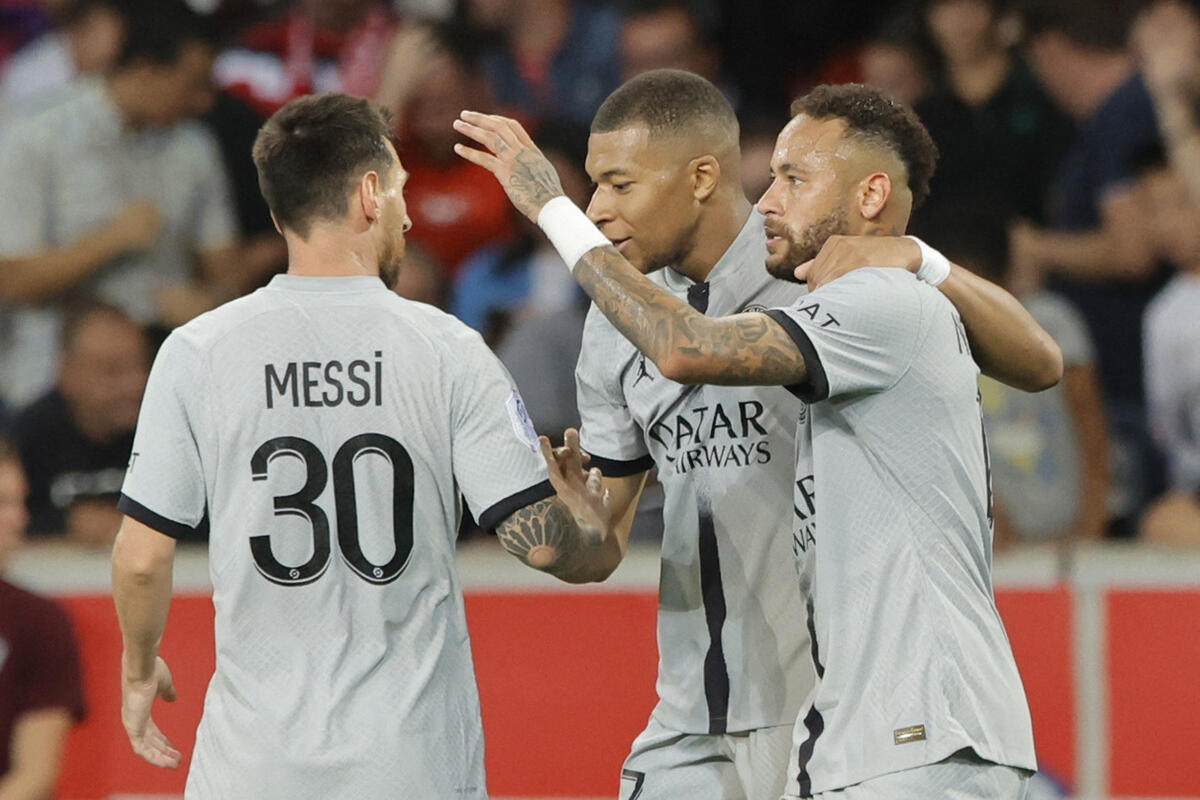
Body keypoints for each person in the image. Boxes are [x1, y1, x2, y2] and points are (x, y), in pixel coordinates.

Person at [457, 72, 1058, 798]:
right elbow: (602, 535)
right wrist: (558, 533)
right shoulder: (616, 323)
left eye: (619, 185)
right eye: (591, 188)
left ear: (701, 177)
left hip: (834, 708)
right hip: (698, 715)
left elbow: (1042, 362)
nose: (599, 209)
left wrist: (922, 259)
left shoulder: (830, 276)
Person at [110, 92, 612, 798]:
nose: (407, 217)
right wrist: (590, 527)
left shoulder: (198, 350)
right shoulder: (447, 349)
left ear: (280, 213)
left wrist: (139, 668)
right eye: (401, 191)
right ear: (371, 194)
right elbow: (545, 546)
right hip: (410, 763)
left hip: (252, 768)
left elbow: (140, 559)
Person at [0, 0, 237, 410]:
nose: (203, 101)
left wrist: (208, 303)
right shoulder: (35, 138)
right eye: (193, 83)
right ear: (146, 70)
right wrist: (109, 242)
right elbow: (9, 280)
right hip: (52, 389)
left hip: (165, 383)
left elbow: (225, 270)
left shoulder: (194, 147)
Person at [11, 301, 149, 545]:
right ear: (67, 373)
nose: (135, 385)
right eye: (112, 371)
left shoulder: (167, 430)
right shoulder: (29, 436)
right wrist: (65, 525)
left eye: (142, 366)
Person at [0, 437, 87, 798]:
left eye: (20, 501)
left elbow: (35, 777)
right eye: (2, 503)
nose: (20, 518)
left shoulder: (39, 621)